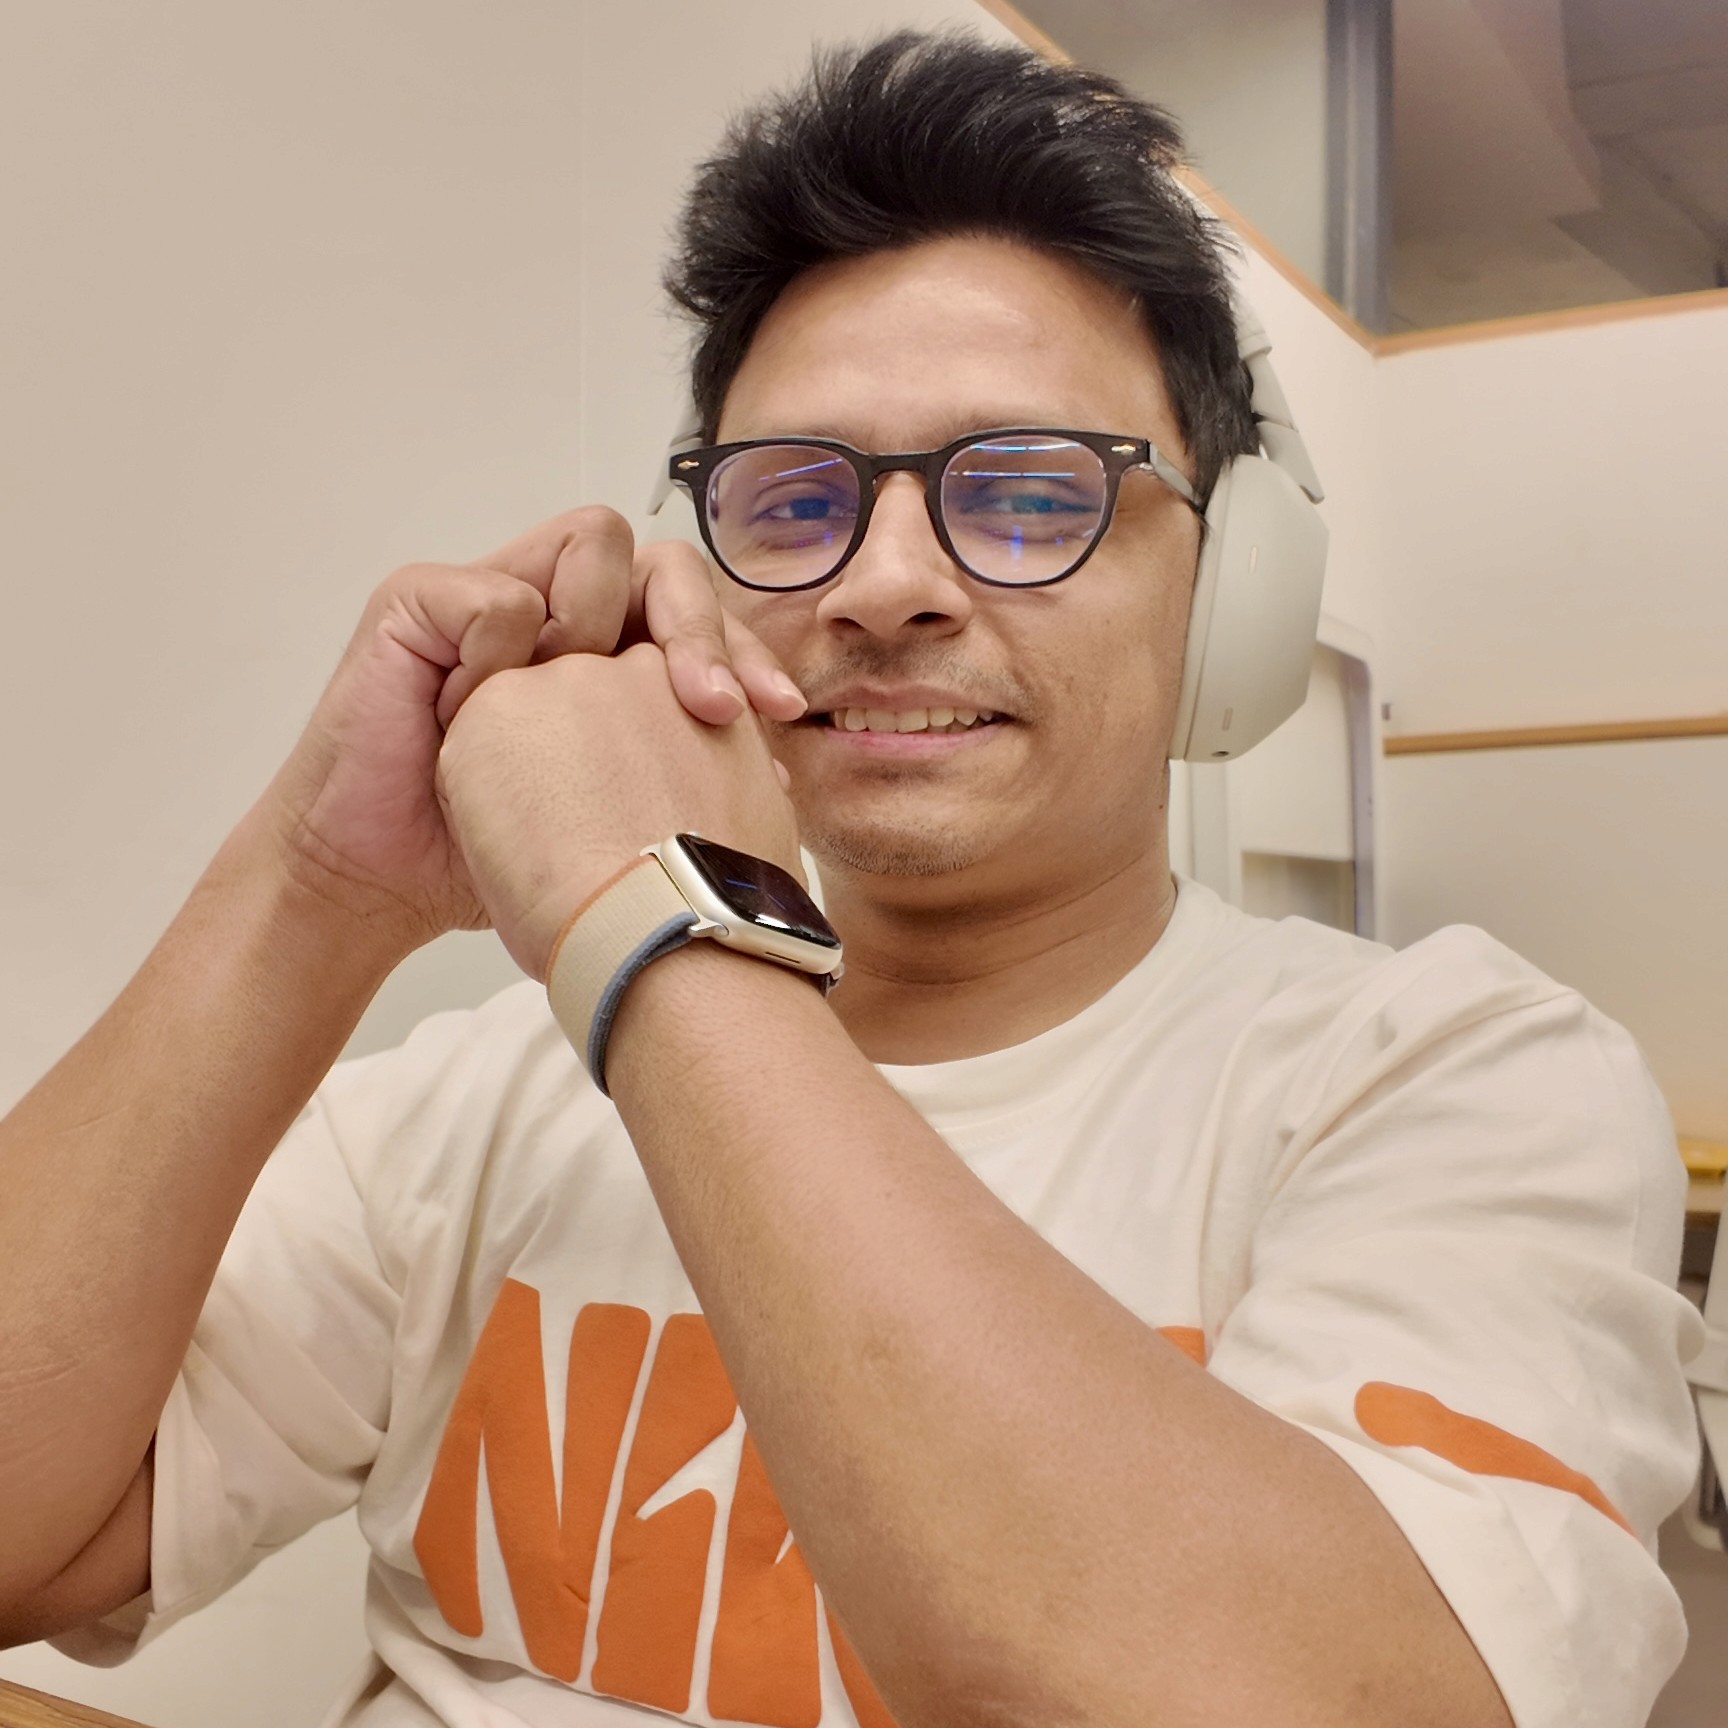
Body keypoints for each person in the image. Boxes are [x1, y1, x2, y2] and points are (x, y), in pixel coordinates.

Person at [0, 30, 1701, 1728]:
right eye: (796, 501)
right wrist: (320, 880)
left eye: (1028, 495)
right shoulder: (476, 1105)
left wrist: (663, 922)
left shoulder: (1454, 1080)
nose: (883, 587)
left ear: (1232, 590)